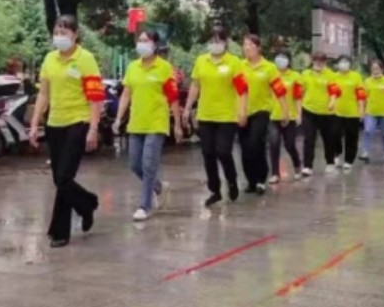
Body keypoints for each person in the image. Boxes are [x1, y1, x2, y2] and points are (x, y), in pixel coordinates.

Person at [27, 15, 104, 247]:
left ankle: (61, 231)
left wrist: (93, 128)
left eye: (65, 32)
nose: (59, 37)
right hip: (55, 123)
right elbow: (44, 94)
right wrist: (34, 123)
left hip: (78, 121)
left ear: (75, 35)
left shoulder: (85, 59)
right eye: (56, 32)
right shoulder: (49, 59)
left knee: (63, 178)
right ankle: (87, 203)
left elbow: (95, 97)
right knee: (59, 180)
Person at [113, 30, 183, 221]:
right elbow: (126, 94)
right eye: (140, 40)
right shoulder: (132, 67)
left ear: (155, 45)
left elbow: (173, 97)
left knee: (148, 164)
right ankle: (159, 187)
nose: (142, 43)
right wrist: (118, 118)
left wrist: (177, 124)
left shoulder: (164, 68)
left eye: (146, 40)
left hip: (156, 124)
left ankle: (144, 206)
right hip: (136, 123)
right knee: (135, 165)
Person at [184, 24, 248, 206]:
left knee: (223, 151)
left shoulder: (234, 62)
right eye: (212, 40)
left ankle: (232, 180)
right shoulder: (201, 61)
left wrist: (242, 111)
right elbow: (195, 85)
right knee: (208, 153)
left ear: (225, 42)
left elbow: (242, 89)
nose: (215, 44)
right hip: (206, 115)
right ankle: (215, 190)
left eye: (219, 40)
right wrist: (188, 108)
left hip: (227, 116)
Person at [238, 34, 277, 195]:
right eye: (245, 45)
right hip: (242, 112)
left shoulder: (269, 67)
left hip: (261, 111)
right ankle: (251, 181)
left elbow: (278, 89)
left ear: (258, 47)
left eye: (250, 45)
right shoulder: (239, 66)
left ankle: (261, 178)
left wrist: (283, 111)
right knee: (245, 148)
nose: (247, 48)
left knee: (255, 144)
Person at [299, 52, 341, 177]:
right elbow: (300, 91)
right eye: (316, 60)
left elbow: (334, 91)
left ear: (325, 62)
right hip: (309, 110)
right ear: (312, 61)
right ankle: (307, 166)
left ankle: (330, 162)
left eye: (321, 61)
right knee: (309, 138)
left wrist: (332, 102)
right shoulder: (305, 74)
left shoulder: (330, 75)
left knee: (328, 138)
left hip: (326, 112)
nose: (318, 63)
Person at [268, 51, 302, 183]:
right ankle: (275, 173)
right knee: (274, 143)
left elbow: (298, 97)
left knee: (289, 144)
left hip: (290, 116)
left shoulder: (295, 76)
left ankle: (297, 164)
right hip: (273, 115)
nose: (281, 60)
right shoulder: (271, 74)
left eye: (284, 57)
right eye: (278, 57)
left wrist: (299, 114)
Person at [331, 56, 366, 170]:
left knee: (351, 137)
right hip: (336, 111)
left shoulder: (356, 76)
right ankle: (337, 153)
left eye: (346, 61)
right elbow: (330, 93)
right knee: (334, 134)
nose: (344, 64)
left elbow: (360, 94)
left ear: (350, 64)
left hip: (352, 112)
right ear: (337, 64)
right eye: (341, 62)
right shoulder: (333, 77)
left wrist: (361, 110)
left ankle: (349, 160)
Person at [361, 60, 384, 164]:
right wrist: (361, 110)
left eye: (377, 68)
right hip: (371, 111)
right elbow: (363, 97)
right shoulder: (367, 81)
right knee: (368, 130)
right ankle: (365, 152)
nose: (375, 71)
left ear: (382, 69)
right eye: (373, 69)